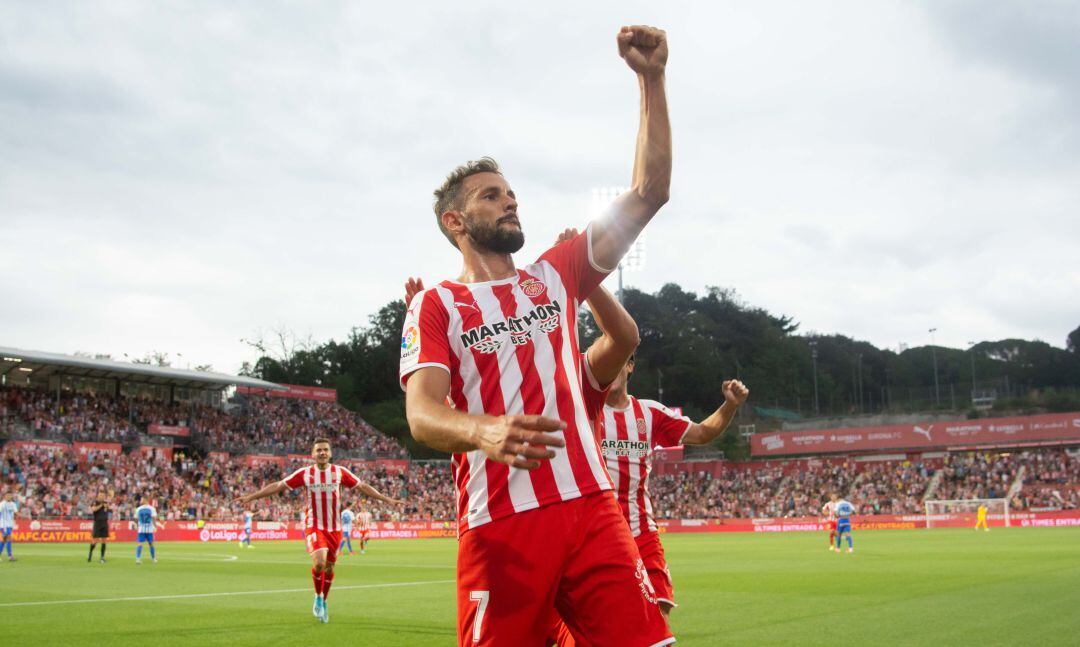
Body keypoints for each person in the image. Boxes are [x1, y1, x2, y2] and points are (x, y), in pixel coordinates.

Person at [400, 24, 673, 646]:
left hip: (591, 508)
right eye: (491, 196)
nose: (510, 202)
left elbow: (649, 192)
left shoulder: (555, 276)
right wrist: (482, 430)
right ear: (455, 221)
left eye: (512, 194)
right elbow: (421, 413)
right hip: (501, 524)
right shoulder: (438, 304)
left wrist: (651, 81)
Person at [596, 355, 748, 617]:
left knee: (658, 610)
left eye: (617, 357)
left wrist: (729, 406)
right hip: (595, 534)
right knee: (596, 619)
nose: (610, 365)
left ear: (630, 365)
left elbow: (702, 433)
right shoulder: (583, 411)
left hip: (641, 530)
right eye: (603, 358)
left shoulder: (649, 412)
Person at [236, 439, 405, 624]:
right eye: (319, 450)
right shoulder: (305, 474)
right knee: (319, 562)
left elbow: (362, 486)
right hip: (315, 525)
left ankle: (324, 600)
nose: (322, 453)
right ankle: (317, 596)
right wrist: (251, 497)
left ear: (330, 453)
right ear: (313, 455)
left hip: (335, 528)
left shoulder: (339, 472)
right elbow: (278, 486)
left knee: (330, 567)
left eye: (325, 450)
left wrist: (387, 499)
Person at [133, 496, 162, 564]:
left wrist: (136, 525)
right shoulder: (151, 508)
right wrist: (155, 526)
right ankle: (153, 559)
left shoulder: (138, 509)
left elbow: (136, 519)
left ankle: (138, 559)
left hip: (141, 529)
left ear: (145, 500)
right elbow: (154, 518)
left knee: (140, 544)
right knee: (151, 544)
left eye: (141, 499)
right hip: (149, 529)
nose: (140, 501)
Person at [88, 493, 111, 563]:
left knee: (104, 540)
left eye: (104, 496)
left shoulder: (105, 503)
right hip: (97, 523)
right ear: (98, 496)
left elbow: (109, 509)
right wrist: (101, 505)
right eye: (101, 496)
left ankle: (102, 557)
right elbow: (93, 509)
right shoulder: (95, 502)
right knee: (95, 540)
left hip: (104, 523)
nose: (103, 497)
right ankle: (90, 554)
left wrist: (108, 507)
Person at [0, 492, 17, 562]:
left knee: (4, 540)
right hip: (4, 524)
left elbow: (16, 512)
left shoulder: (13, 504)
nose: (8, 497)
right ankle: (10, 556)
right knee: (8, 538)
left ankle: (9, 555)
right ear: (5, 496)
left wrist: (20, 515)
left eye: (10, 495)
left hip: (10, 524)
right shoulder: (2, 504)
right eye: (7, 495)